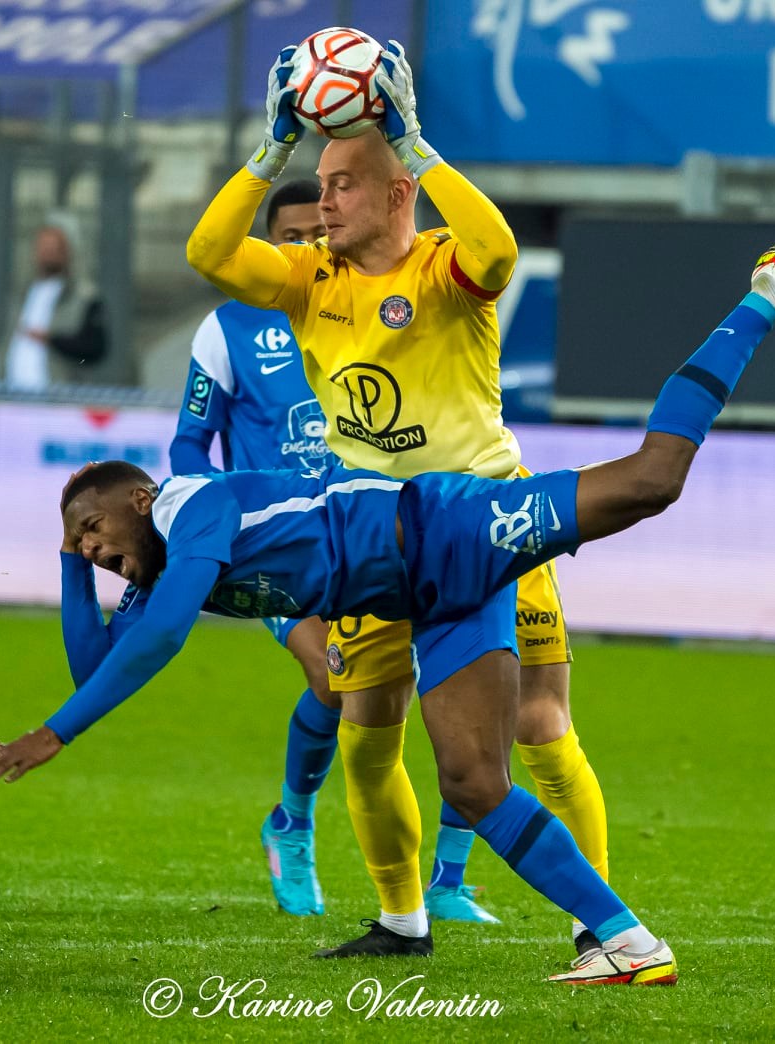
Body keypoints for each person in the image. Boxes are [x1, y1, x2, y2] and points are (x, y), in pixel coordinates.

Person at [0, 239, 775, 984]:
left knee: (648, 481)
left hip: (443, 526)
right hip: (426, 597)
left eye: (90, 527)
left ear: (136, 498)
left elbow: (156, 641)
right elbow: (96, 667)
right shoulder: (152, 564)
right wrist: (68, 566)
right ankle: (630, 944)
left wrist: (55, 736)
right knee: (474, 781)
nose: (90, 548)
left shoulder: (189, 503)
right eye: (77, 545)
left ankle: (765, 293)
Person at [186, 41, 583, 948]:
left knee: (539, 728)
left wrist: (418, 148)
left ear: (398, 190)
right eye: (320, 183)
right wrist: (271, 151)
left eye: (343, 184)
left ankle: (589, 926)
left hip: (488, 521)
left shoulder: (445, 267)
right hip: (372, 532)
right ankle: (402, 920)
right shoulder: (306, 278)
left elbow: (501, 248)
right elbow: (208, 251)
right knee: (367, 735)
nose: (322, 201)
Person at [167, 178, 339, 915]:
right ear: (266, 244)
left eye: (317, 234)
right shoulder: (229, 328)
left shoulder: (358, 308)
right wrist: (221, 518)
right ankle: (291, 826)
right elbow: (186, 444)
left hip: (369, 531)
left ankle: (449, 880)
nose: (306, 247)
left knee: (425, 694)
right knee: (335, 680)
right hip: (279, 549)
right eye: (290, 236)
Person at [4, 226, 73, 393]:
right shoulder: (24, 292)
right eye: (43, 248)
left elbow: (92, 346)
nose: (47, 254)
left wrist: (52, 339)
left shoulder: (80, 296)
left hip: (55, 392)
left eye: (52, 249)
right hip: (13, 388)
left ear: (65, 253)